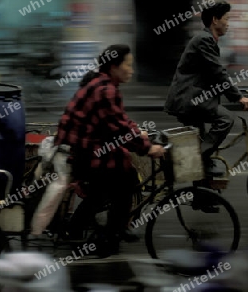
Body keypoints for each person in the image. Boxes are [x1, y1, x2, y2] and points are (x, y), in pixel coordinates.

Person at [53, 44, 166, 255]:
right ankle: (106, 236)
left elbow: (119, 121)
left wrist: (137, 132)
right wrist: (148, 148)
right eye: (128, 65)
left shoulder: (103, 84)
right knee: (119, 185)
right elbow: (120, 129)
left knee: (126, 178)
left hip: (89, 148)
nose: (131, 70)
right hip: (89, 153)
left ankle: (112, 227)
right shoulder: (105, 90)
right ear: (114, 66)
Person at [164, 0, 248, 176]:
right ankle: (195, 159)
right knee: (226, 119)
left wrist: (239, 93)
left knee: (202, 146)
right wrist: (238, 97)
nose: (228, 23)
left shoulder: (207, 40)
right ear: (215, 20)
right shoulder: (204, 40)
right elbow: (218, 73)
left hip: (193, 99)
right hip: (189, 100)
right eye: (226, 19)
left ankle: (201, 195)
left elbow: (215, 76)